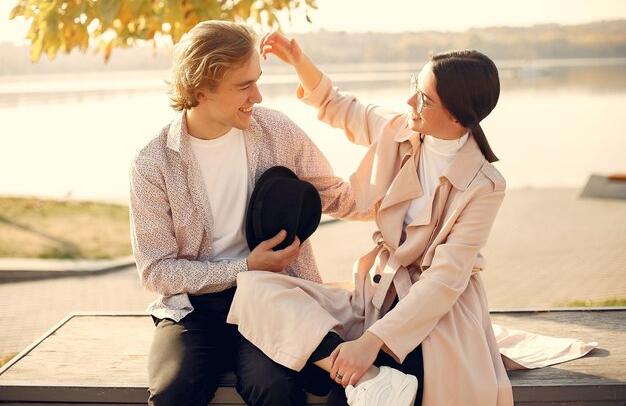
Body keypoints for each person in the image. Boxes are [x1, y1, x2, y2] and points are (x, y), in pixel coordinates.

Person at [227, 32, 514, 406]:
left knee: (346, 399)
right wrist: (298, 60)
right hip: (376, 292)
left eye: (424, 98)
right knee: (255, 287)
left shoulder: (485, 186)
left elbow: (445, 280)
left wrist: (371, 342)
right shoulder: (399, 130)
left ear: (457, 116)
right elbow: (337, 105)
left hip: (435, 311)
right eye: (415, 85)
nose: (410, 100)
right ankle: (367, 375)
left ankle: (363, 375)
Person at [128, 21, 373, 406]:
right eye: (244, 85)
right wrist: (244, 268)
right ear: (200, 89)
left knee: (275, 388)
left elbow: (338, 197)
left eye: (257, 81)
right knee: (174, 391)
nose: (256, 96)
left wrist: (416, 204)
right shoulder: (153, 164)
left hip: (273, 300)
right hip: (191, 309)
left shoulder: (277, 131)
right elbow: (156, 271)